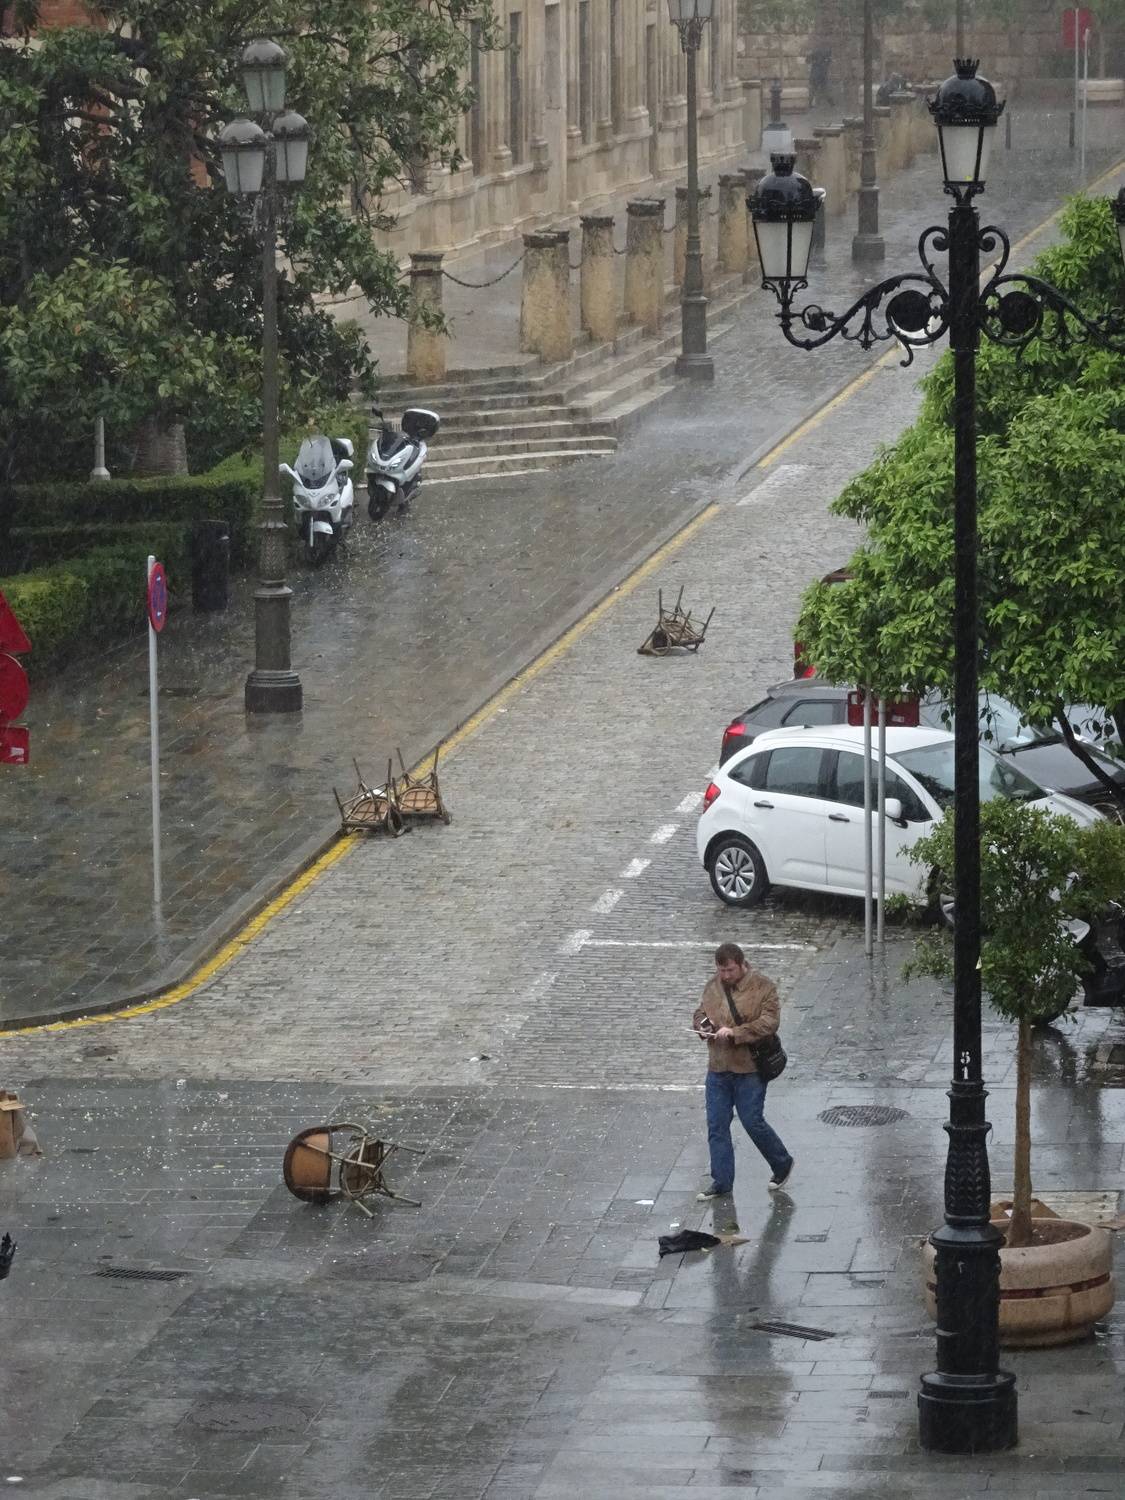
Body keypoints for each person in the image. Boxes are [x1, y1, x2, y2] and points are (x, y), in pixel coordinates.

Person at [692, 942, 794, 1200]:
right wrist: (703, 1026)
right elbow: (700, 1012)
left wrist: (736, 1033)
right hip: (718, 1067)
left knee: (752, 1121)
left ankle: (781, 1162)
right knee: (717, 1125)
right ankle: (721, 1181)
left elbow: (769, 1022)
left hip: (749, 1068)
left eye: (730, 970)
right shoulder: (712, 986)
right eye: (721, 971)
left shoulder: (763, 987)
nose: (725, 976)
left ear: (741, 965)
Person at [807, 41, 834, 108]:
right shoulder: (826, 52)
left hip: (816, 74)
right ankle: (831, 103)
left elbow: (807, 60)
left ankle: (810, 104)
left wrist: (813, 60)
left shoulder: (815, 52)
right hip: (821, 74)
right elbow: (829, 62)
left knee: (814, 90)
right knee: (824, 89)